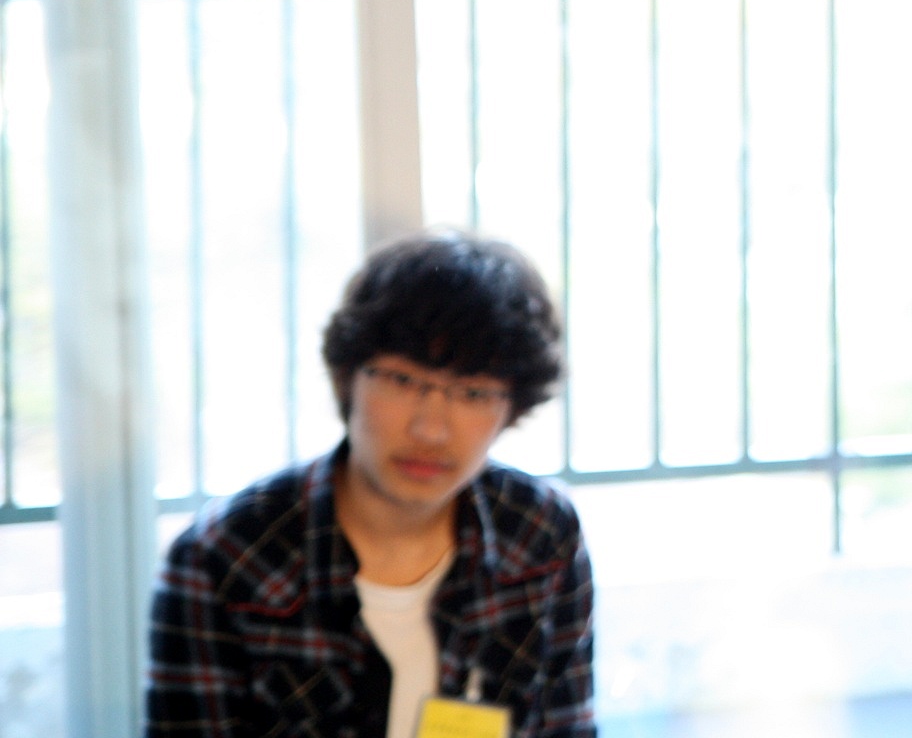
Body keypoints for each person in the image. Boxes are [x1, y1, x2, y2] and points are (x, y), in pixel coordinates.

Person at [148, 229, 594, 738]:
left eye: (473, 393)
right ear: (347, 378)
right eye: (402, 380)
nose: (431, 429)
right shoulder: (224, 556)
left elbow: (568, 727)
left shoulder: (540, 534)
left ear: (512, 408)